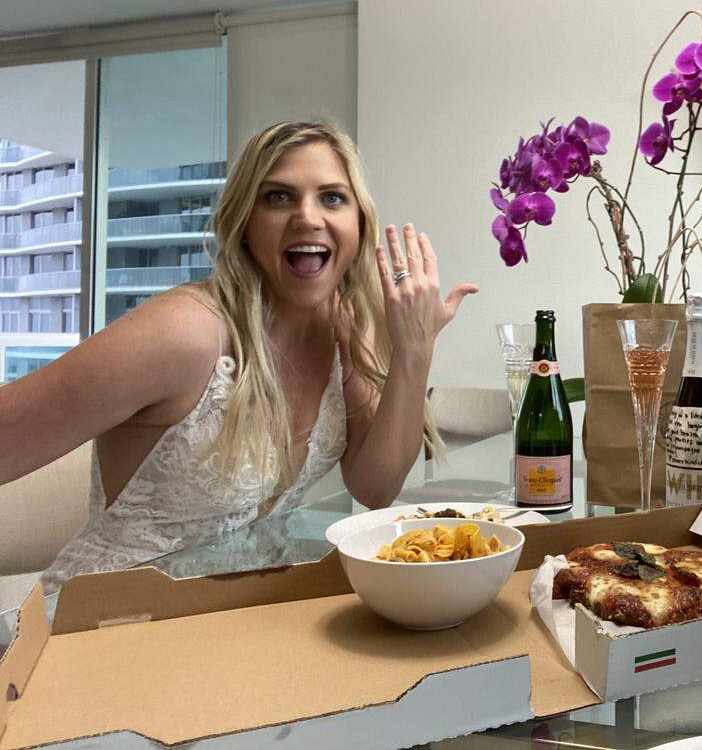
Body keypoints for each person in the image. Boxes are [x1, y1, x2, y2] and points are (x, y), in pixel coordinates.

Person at [0, 120, 477, 592]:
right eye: (278, 197)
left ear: (359, 224)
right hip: (109, 627)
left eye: (332, 197)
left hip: (242, 621)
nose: (308, 217)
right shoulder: (184, 331)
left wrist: (414, 351)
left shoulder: (343, 324)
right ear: (244, 222)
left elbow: (376, 487)